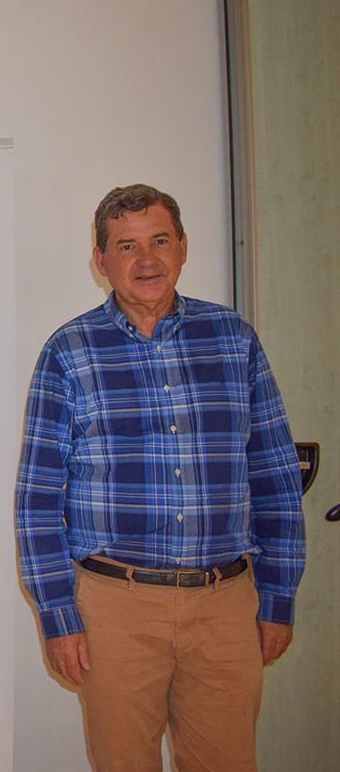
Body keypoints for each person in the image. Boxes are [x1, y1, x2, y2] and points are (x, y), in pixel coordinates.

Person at [15, 184, 306, 771]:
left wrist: (278, 596)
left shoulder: (233, 339)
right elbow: (38, 500)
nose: (146, 260)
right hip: (114, 608)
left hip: (226, 606)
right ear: (101, 260)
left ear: (183, 247)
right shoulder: (69, 352)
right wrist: (58, 615)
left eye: (160, 241)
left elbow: (274, 473)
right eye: (126, 246)